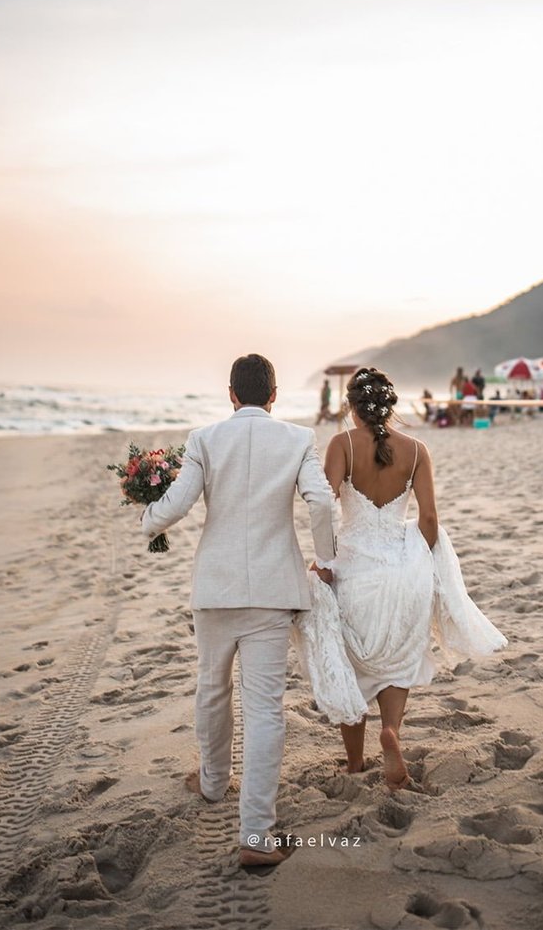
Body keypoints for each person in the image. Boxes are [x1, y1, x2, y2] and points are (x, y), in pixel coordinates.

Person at [143, 354, 336, 869]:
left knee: (211, 687)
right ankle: (256, 834)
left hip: (216, 588)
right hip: (273, 590)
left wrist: (148, 523)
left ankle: (211, 783)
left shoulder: (204, 438)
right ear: (274, 394)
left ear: (231, 394)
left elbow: (178, 505)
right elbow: (321, 503)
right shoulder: (297, 439)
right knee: (266, 709)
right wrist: (328, 560)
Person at [293, 367, 505, 792]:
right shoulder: (417, 449)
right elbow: (428, 520)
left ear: (352, 407)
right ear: (389, 405)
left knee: (349, 664)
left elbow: (321, 504)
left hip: (355, 571)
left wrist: (324, 561)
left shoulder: (343, 444)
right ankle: (391, 730)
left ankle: (355, 762)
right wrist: (414, 565)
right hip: (403, 573)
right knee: (397, 662)